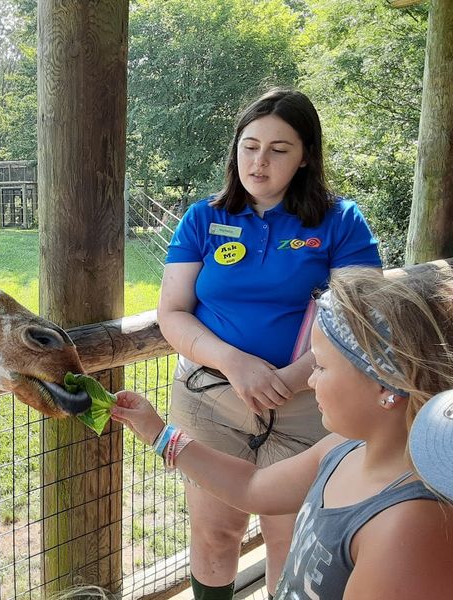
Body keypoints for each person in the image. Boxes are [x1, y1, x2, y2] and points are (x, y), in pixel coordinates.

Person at [157, 88, 382, 599]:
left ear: (305, 158)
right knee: (216, 535)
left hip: (307, 404)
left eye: (279, 149)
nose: (259, 161)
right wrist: (234, 363)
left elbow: (359, 318)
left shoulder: (340, 221)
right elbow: (172, 313)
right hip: (211, 398)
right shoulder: (202, 219)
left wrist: (289, 379)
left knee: (289, 538)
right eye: (249, 145)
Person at [113, 266, 453, 599]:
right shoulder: (345, 448)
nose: (310, 379)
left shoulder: (408, 527)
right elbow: (252, 487)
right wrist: (159, 434)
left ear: (386, 387)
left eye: (320, 366)